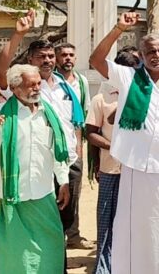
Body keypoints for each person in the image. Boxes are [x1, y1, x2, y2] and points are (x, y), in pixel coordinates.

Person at [89, 12, 159, 274]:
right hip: (135, 165)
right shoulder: (129, 77)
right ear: (141, 55)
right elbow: (96, 60)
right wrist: (119, 28)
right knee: (134, 225)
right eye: (151, 51)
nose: (157, 55)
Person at [0, 11, 84, 264]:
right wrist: (19, 33)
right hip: (29, 173)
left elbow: (74, 124)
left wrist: (74, 160)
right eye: (41, 57)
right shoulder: (19, 90)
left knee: (62, 226)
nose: (48, 60)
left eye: (50, 56)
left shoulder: (69, 85)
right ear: (30, 60)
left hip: (66, 163)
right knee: (35, 234)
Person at [0, 64, 70, 273]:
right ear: (14, 88)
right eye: (31, 85)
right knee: (14, 257)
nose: (37, 88)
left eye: (38, 83)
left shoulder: (49, 113)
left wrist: (63, 181)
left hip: (44, 194)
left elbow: (58, 152)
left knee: (50, 249)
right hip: (12, 198)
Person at [85, 49, 140, 274]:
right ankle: (104, 266)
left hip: (138, 169)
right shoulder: (101, 98)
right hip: (111, 167)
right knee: (107, 217)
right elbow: (91, 132)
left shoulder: (143, 96)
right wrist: (114, 148)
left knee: (133, 218)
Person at [53, 42, 94, 250]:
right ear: (56, 58)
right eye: (63, 55)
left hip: (75, 143)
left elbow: (83, 115)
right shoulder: (50, 82)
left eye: (71, 55)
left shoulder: (81, 81)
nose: (67, 58)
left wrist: (79, 147)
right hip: (54, 146)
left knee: (74, 190)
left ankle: (73, 235)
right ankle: (55, 236)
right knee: (55, 190)